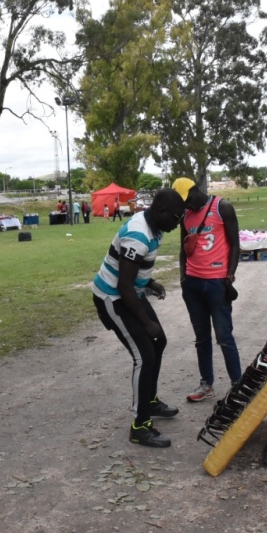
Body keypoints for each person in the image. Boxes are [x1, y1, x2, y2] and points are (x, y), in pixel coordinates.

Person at [92, 188, 185, 448]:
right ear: (162, 211)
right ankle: (140, 425)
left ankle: (150, 400)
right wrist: (146, 321)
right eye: (176, 218)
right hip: (113, 297)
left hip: (131, 292)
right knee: (144, 354)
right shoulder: (138, 234)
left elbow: (132, 272)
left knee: (158, 342)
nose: (178, 224)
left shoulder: (154, 227)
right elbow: (123, 284)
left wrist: (150, 282)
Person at [171, 178, 243, 403]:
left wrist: (229, 276)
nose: (187, 204)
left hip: (216, 283)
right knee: (201, 337)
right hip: (192, 284)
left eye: (188, 199)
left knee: (224, 336)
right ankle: (206, 383)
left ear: (195, 190)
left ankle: (237, 385)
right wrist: (183, 277)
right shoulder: (185, 216)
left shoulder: (222, 208)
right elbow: (183, 249)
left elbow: (235, 245)